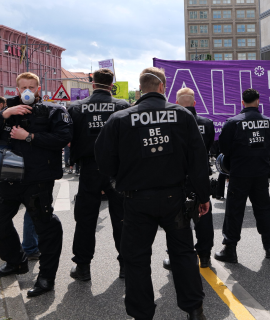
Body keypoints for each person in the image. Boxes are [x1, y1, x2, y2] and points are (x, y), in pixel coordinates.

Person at [95, 67, 209, 320]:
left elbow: (103, 159)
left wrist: (119, 179)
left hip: (136, 200)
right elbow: (198, 160)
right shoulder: (181, 115)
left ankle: (142, 314)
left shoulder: (120, 118)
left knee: (136, 259)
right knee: (183, 254)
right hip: (175, 199)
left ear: (140, 89)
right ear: (162, 87)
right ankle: (194, 309)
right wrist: (203, 196)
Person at [0, 72, 71, 297]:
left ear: (39, 88)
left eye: (32, 86)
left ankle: (46, 277)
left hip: (39, 177)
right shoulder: (8, 110)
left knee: (45, 226)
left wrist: (29, 136)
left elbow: (63, 139)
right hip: (11, 174)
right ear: (17, 89)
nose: (28, 91)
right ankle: (16, 262)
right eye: (24, 87)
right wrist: (5, 113)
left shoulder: (53, 110)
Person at [68, 68, 130, 282]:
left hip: (89, 167)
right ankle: (125, 266)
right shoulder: (123, 106)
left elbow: (69, 139)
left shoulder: (76, 107)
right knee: (121, 218)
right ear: (111, 85)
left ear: (92, 84)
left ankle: (83, 267)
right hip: (117, 169)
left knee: (85, 218)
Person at [215, 88, 270, 263]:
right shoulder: (269, 122)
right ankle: (269, 247)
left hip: (240, 173)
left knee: (234, 212)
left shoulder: (233, 122)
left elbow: (224, 149)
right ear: (258, 101)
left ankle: (230, 249)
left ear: (242, 102)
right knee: (263, 210)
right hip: (260, 174)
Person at [163, 87, 215, 269]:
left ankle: (175, 255)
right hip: (200, 174)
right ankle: (205, 255)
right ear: (194, 103)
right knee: (204, 215)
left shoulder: (169, 124)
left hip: (177, 176)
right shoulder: (207, 123)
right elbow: (207, 149)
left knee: (175, 219)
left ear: (176, 103)